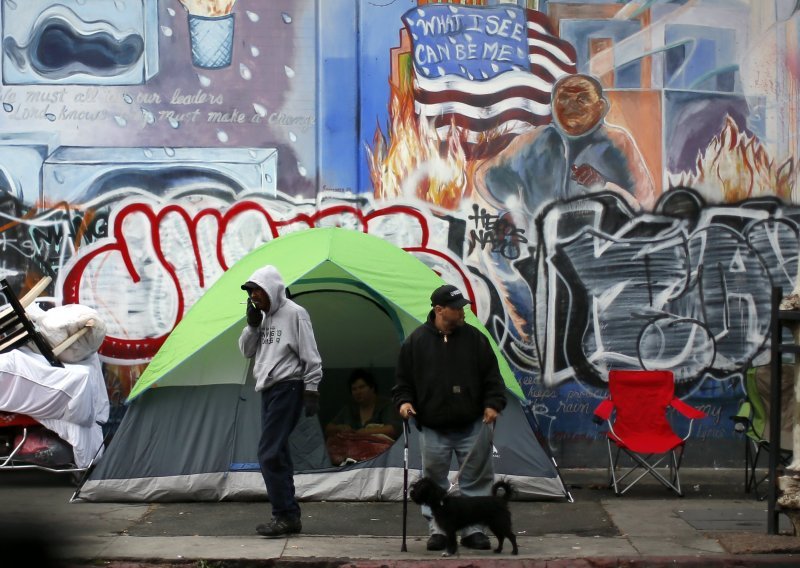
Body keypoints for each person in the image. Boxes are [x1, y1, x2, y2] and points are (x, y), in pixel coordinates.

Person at [392, 283, 507, 552]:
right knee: (433, 481)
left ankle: (474, 529)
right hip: (432, 426)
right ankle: (439, 530)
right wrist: (404, 402)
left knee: (477, 478)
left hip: (472, 424)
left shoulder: (476, 340)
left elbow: (493, 379)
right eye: (457, 308)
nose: (463, 311)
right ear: (440, 310)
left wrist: (493, 404)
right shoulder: (415, 342)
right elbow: (402, 383)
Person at [475, 73, 656, 213]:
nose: (571, 106)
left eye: (582, 99)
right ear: (553, 105)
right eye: (564, 99)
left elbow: (645, 206)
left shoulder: (618, 142)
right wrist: (515, 213)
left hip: (603, 249)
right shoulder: (532, 140)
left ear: (601, 107)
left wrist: (604, 187)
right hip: (540, 247)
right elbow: (485, 177)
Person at [239, 265, 322, 538]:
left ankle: (283, 514)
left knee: (269, 452)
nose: (254, 297)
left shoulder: (295, 314)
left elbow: (310, 353)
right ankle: (290, 516)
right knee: (279, 452)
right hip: (268, 389)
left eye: (258, 291)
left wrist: (311, 387)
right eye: (251, 293)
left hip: (289, 386)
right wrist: (252, 325)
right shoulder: (261, 318)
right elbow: (246, 351)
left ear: (272, 288)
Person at [325, 368, 400, 440]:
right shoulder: (350, 408)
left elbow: (392, 430)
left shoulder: (385, 405)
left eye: (362, 387)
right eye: (354, 389)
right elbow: (328, 429)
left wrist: (364, 432)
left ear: (372, 387)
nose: (358, 392)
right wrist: (340, 428)